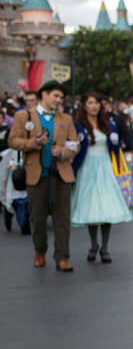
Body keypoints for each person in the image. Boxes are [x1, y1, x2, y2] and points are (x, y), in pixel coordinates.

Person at [9, 80, 78, 271]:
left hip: (61, 174)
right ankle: (39, 251)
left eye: (61, 98)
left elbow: (75, 145)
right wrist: (34, 143)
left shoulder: (66, 119)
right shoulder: (25, 116)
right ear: (44, 95)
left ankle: (62, 257)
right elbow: (13, 140)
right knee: (37, 218)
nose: (58, 100)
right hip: (36, 174)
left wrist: (63, 152)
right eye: (56, 96)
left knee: (62, 219)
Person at [70, 93, 132, 262]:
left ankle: (105, 247)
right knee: (91, 207)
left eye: (97, 103)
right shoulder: (77, 126)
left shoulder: (109, 125)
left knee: (106, 206)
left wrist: (115, 143)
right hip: (87, 168)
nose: (94, 106)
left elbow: (117, 146)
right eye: (90, 103)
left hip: (105, 167)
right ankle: (93, 244)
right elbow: (73, 147)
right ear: (84, 105)